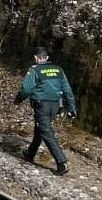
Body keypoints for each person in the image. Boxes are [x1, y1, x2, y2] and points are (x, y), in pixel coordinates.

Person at [13, 46, 77, 176]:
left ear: (35, 57)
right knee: (40, 128)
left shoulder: (35, 70)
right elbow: (67, 90)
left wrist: (18, 100)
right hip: (55, 106)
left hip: (41, 105)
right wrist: (71, 108)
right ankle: (30, 153)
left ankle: (62, 163)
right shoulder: (58, 69)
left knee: (46, 132)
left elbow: (26, 89)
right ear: (47, 57)